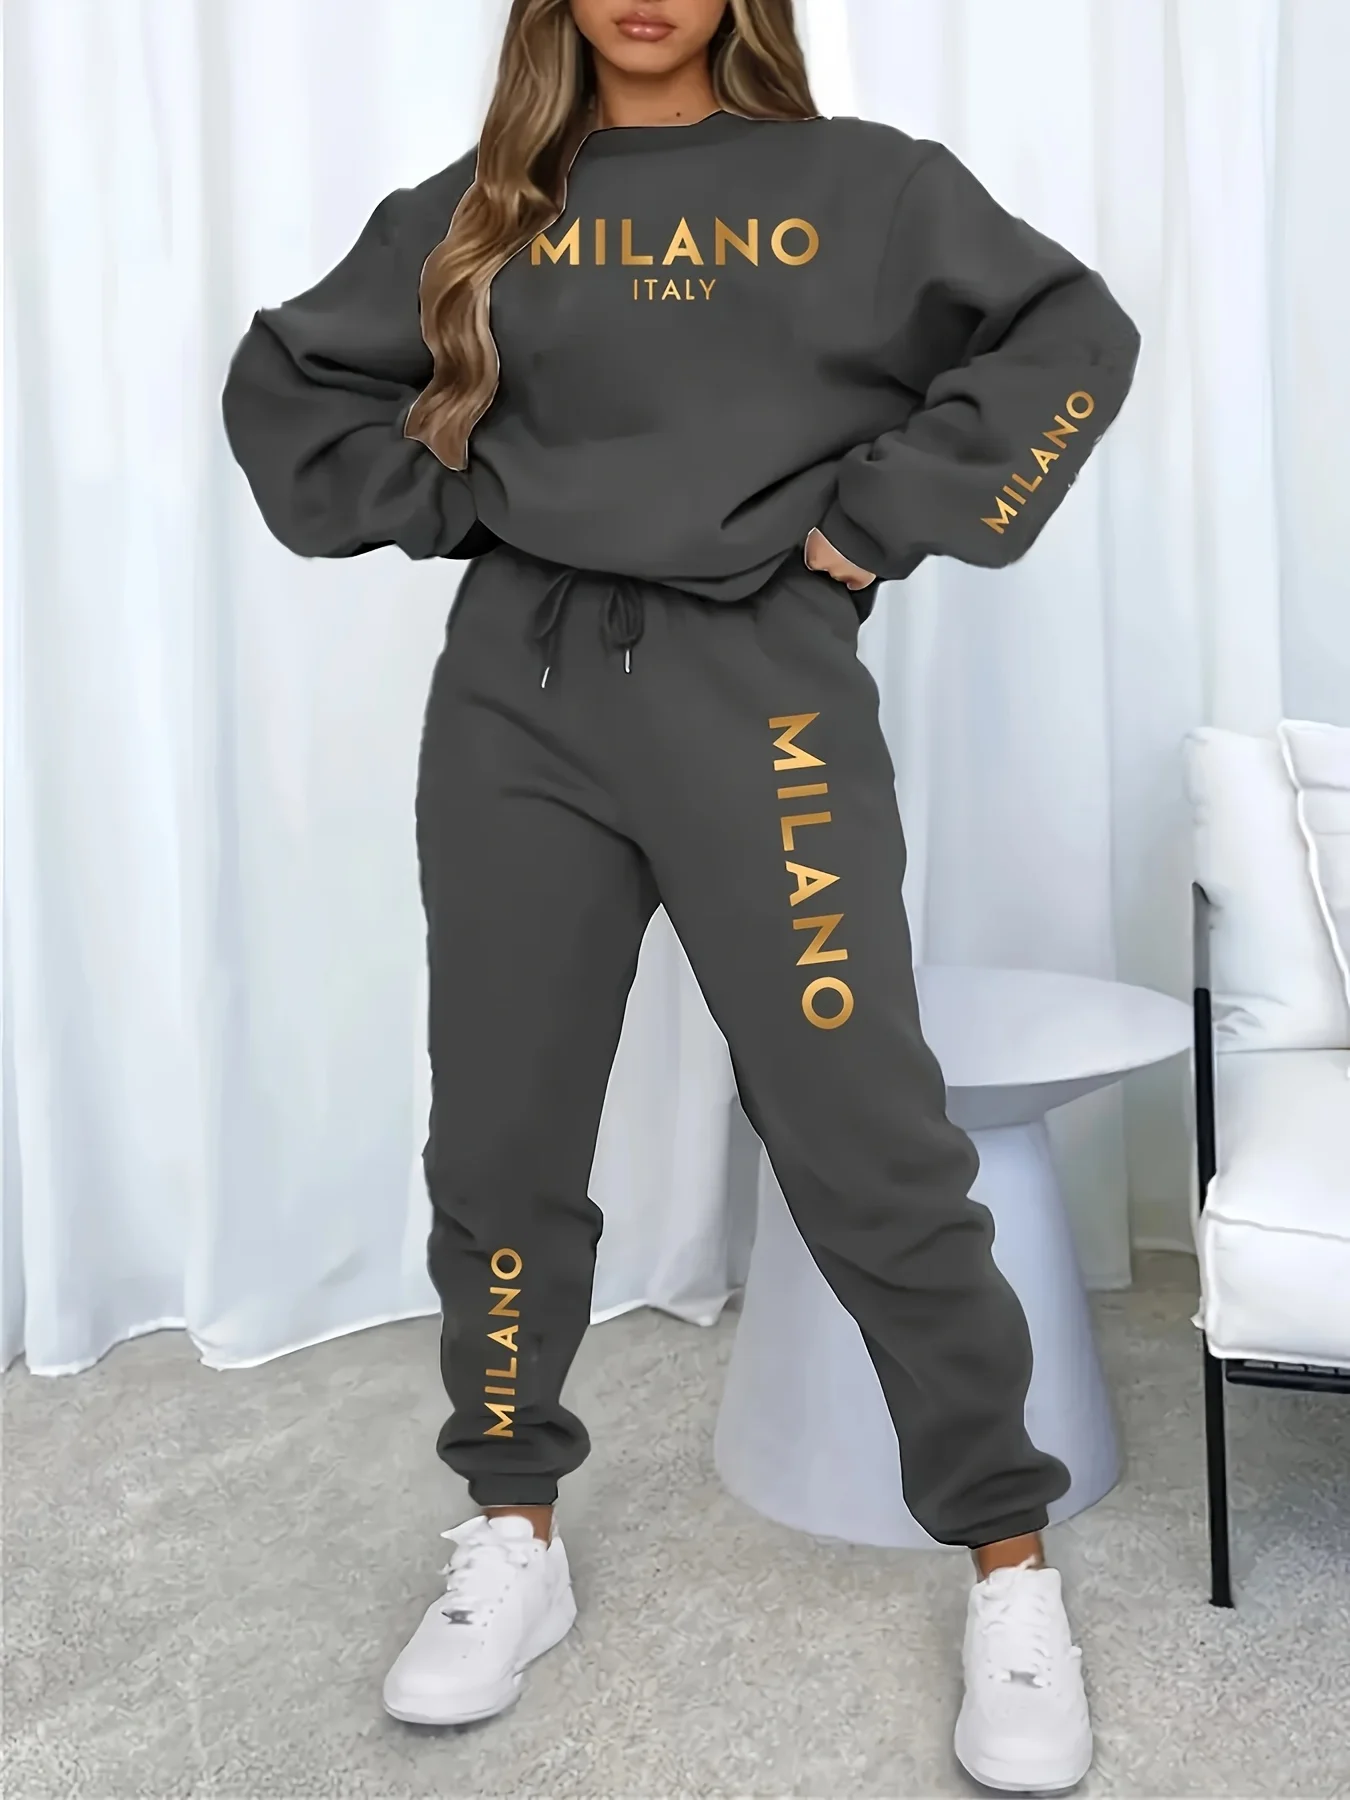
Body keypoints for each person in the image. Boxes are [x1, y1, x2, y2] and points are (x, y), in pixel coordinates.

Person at [222, 0, 1139, 1788]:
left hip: (761, 699)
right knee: (500, 1133)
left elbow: (1069, 333)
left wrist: (879, 521)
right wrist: (465, 497)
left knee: (864, 1135)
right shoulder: (488, 200)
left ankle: (1007, 1560)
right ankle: (510, 1528)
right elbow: (289, 384)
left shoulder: (864, 187)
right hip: (517, 704)